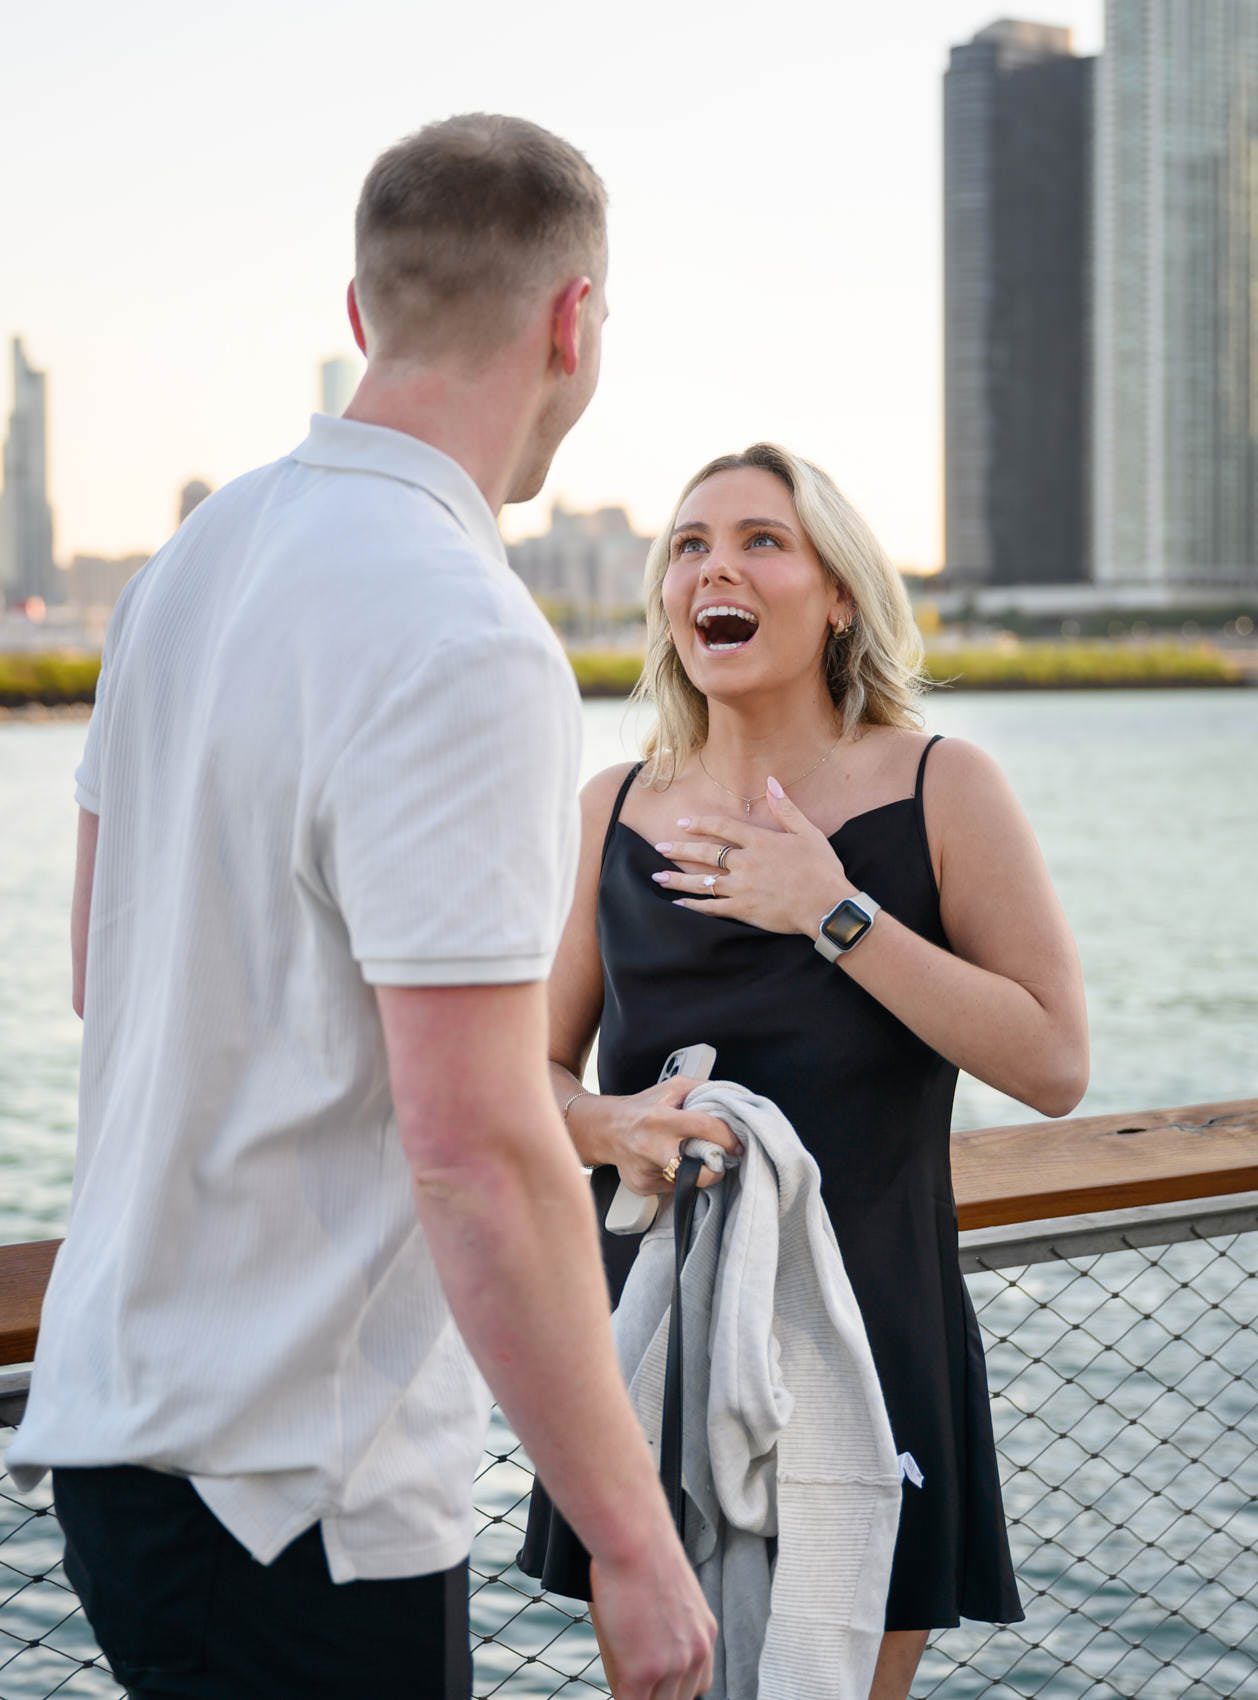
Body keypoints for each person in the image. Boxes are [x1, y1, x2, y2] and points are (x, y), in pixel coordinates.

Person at [8, 115, 715, 1700]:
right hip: (292, 1498)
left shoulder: (187, 569)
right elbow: (469, 1149)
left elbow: (98, 970)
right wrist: (628, 1539)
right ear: (572, 321)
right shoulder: (464, 632)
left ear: (357, 313)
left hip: (127, 1446)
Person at [522, 443, 1089, 1700]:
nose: (715, 567)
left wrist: (831, 911)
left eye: (760, 540)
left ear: (838, 593)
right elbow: (527, 1077)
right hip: (651, 1343)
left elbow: (1052, 1061)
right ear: (670, 603)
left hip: (873, 1344)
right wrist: (606, 1125)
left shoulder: (942, 785)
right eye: (689, 546)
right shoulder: (608, 807)